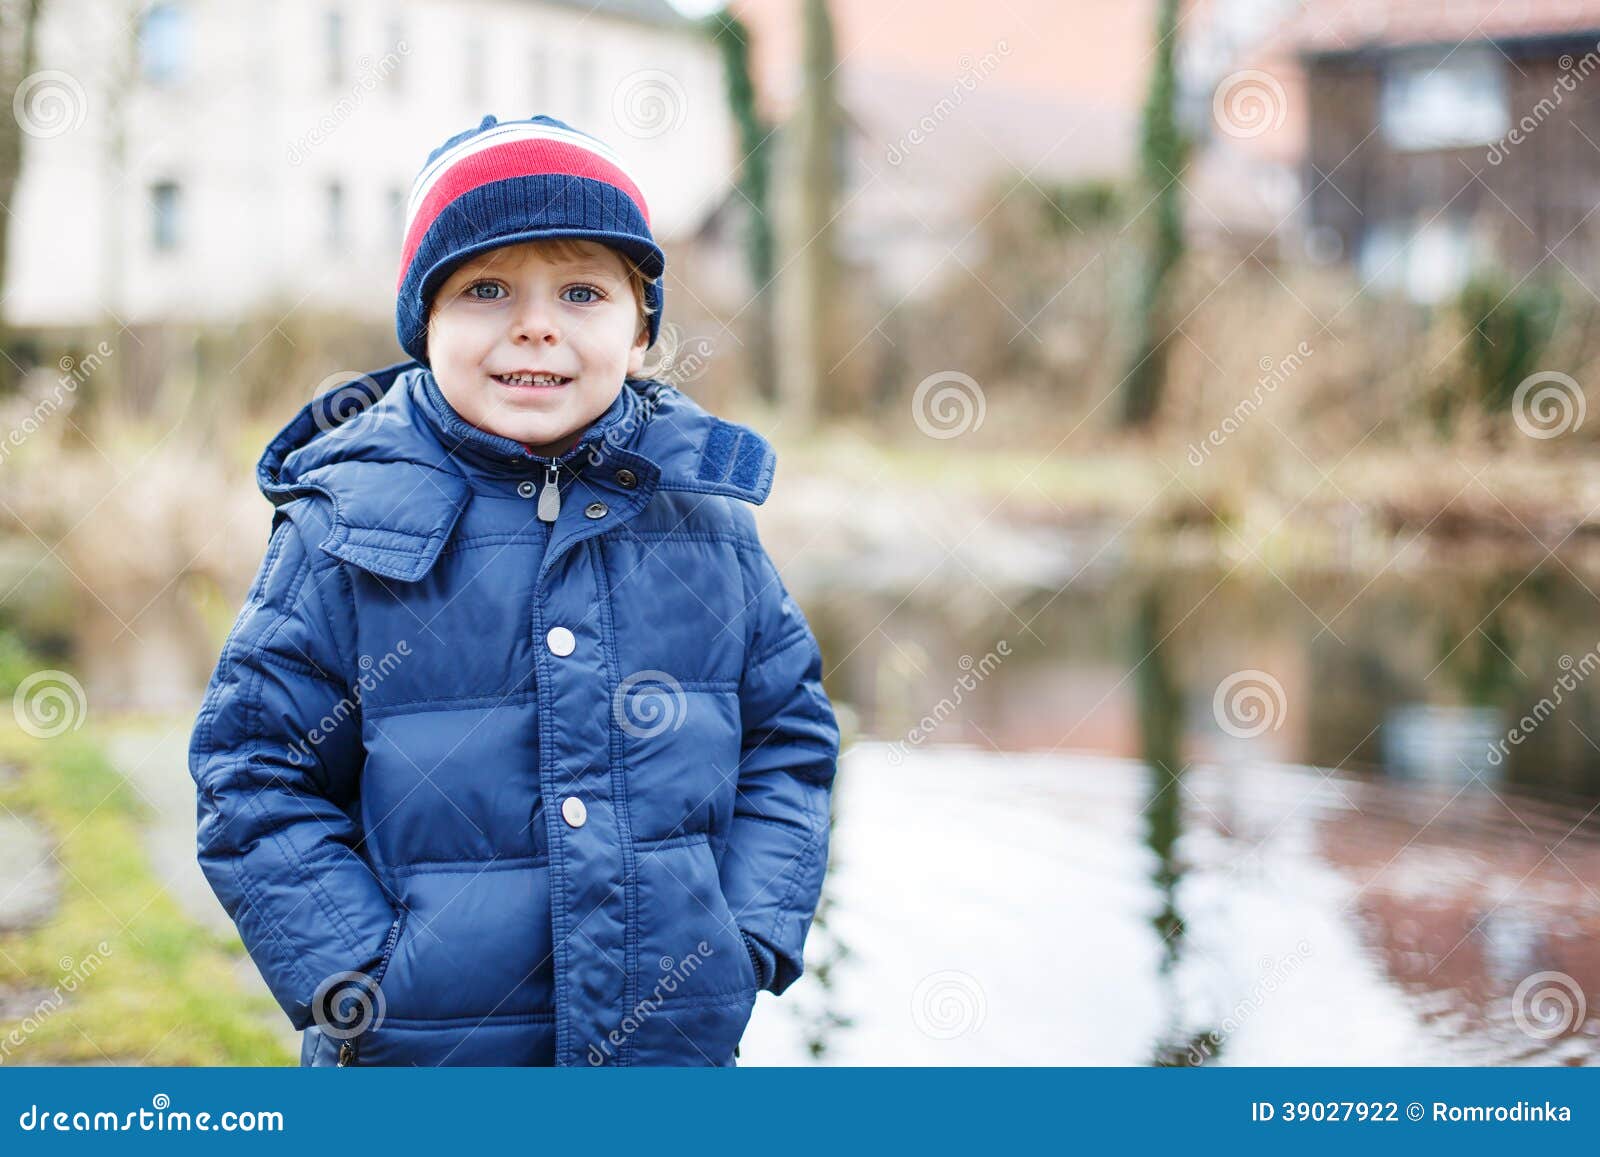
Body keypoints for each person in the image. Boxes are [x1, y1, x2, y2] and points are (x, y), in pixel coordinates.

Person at [187, 113, 840, 1067]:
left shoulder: (705, 515)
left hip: (667, 1054)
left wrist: (745, 935)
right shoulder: (347, 521)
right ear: (425, 324)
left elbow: (790, 736)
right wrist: (357, 973)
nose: (535, 324)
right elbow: (250, 768)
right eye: (486, 288)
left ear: (641, 328)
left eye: (581, 291)